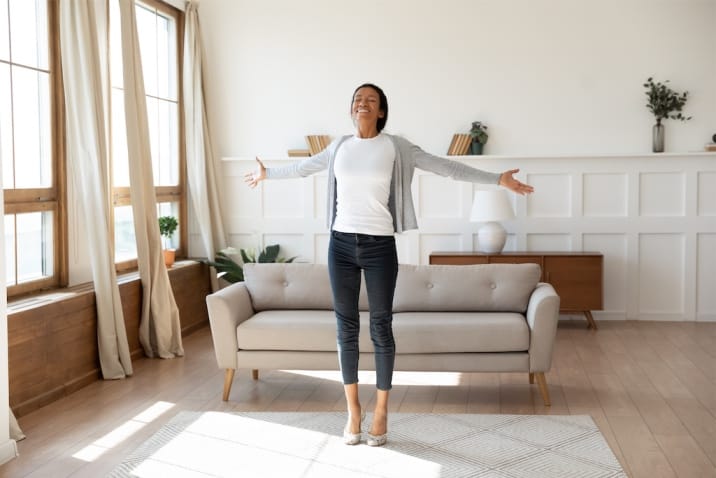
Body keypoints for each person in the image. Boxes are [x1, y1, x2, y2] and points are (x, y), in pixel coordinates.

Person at [245, 83, 533, 447]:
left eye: (371, 100)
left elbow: (446, 168)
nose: (362, 104)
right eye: (357, 99)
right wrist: (267, 173)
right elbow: (303, 168)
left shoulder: (397, 148)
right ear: (351, 109)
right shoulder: (338, 147)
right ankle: (353, 411)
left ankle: (381, 411)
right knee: (345, 327)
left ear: (381, 111)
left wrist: (497, 180)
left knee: (381, 326)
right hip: (341, 245)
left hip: (380, 245)